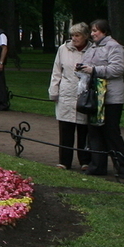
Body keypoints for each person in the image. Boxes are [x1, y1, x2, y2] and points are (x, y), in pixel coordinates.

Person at [79, 19, 124, 179]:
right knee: (94, 132)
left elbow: (117, 69)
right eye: (92, 30)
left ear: (105, 32)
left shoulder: (114, 47)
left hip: (111, 97)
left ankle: (123, 167)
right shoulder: (92, 48)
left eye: (96, 31)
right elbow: (85, 65)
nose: (93, 34)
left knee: (111, 132)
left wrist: (93, 70)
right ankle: (98, 166)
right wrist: (81, 69)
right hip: (95, 97)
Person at [48, 23, 92, 171]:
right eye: (72, 35)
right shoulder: (63, 49)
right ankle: (64, 161)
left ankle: (85, 160)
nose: (74, 38)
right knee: (65, 128)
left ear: (85, 36)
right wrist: (54, 91)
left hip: (84, 93)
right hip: (66, 92)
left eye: (77, 35)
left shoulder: (93, 50)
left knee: (83, 129)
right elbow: (56, 71)